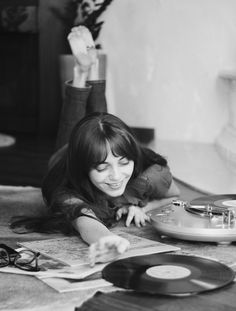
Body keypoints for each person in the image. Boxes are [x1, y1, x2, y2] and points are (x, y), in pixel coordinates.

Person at [11, 26, 180, 266]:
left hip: (95, 149)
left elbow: (175, 196)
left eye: (123, 162)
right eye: (102, 168)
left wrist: (144, 206)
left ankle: (83, 70)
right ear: (85, 168)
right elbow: (85, 223)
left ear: (132, 156)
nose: (115, 176)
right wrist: (108, 240)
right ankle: (86, 68)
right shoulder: (66, 193)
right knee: (74, 129)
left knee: (102, 126)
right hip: (64, 161)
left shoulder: (150, 176)